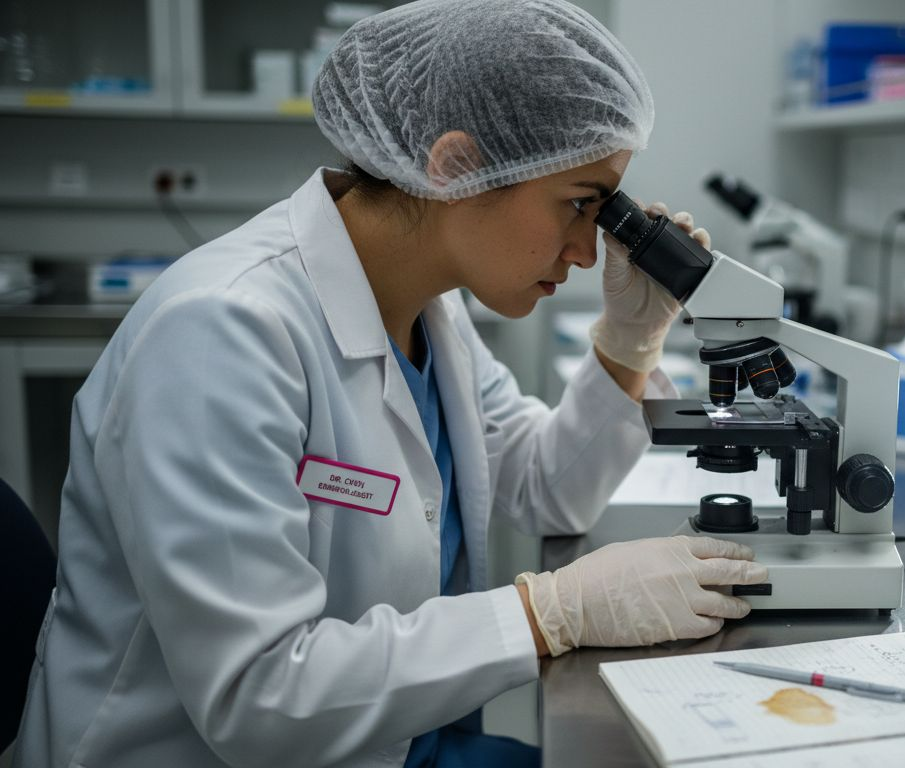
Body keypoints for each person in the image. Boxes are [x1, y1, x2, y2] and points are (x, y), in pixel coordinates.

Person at [12, 2, 767, 766]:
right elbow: (259, 696)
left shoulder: (428, 310)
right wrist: (549, 615)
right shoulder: (220, 333)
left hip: (394, 743)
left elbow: (546, 488)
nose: (583, 250)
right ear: (454, 167)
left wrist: (629, 343)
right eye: (579, 203)